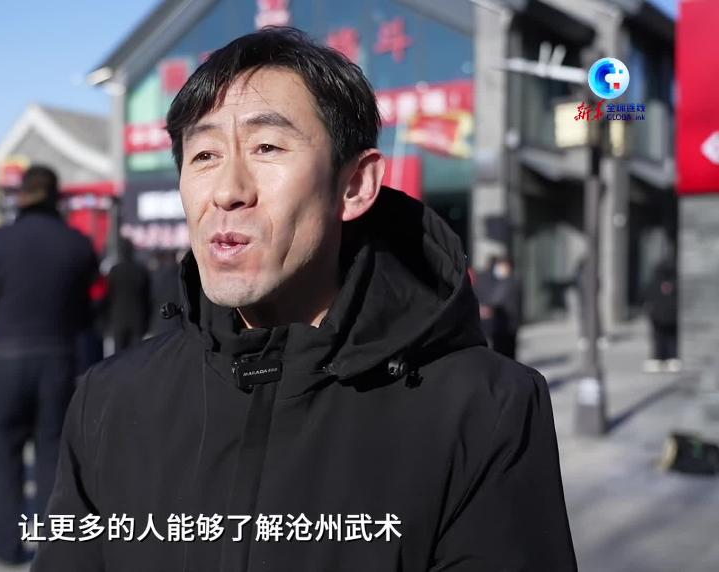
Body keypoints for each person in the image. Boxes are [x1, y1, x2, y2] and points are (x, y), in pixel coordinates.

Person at [33, 28, 575, 572]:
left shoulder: (484, 409)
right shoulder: (110, 400)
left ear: (355, 185)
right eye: (204, 154)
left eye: (266, 147)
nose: (227, 191)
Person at [0, 164, 98, 565]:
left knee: (3, 457)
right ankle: (54, 548)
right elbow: (91, 303)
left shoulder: (1, 240)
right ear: (57, 196)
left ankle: (6, 544)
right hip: (58, 359)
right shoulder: (77, 244)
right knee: (53, 457)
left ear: (22, 195)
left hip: (8, 358)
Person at [106, 239, 151, 352]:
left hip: (118, 318)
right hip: (137, 318)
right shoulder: (140, 270)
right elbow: (147, 297)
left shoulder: (114, 271)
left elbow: (108, 296)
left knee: (119, 356)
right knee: (137, 355)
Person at [477, 256, 522, 359]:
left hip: (507, 324)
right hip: (501, 324)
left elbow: (498, 300)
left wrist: (488, 307)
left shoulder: (511, 282)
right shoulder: (503, 281)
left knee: (505, 354)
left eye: (502, 265)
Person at [644, 259, 679, 372]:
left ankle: (658, 359)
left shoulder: (654, 282)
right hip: (672, 317)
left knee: (659, 339)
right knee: (671, 339)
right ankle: (672, 358)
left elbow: (646, 296)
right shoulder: (675, 283)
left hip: (657, 316)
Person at [148, 249, 183, 336]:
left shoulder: (155, 276)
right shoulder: (182, 275)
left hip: (159, 321)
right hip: (179, 323)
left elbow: (151, 298)